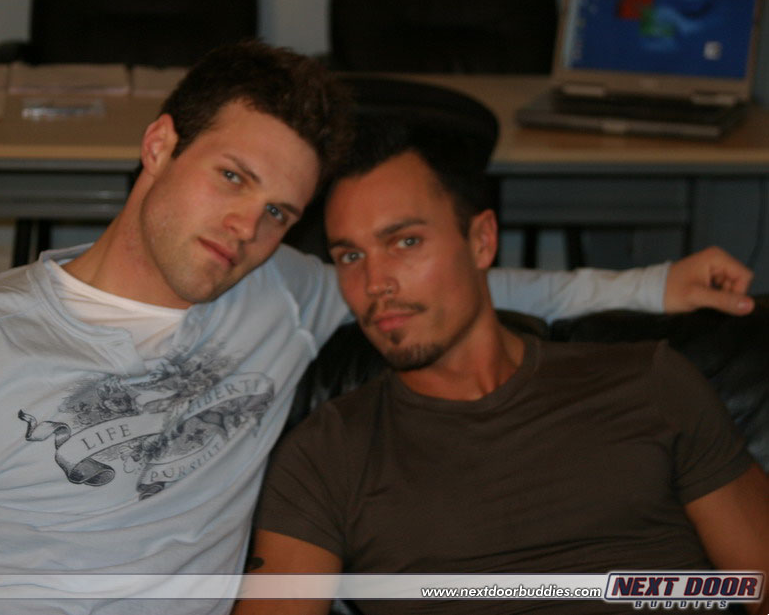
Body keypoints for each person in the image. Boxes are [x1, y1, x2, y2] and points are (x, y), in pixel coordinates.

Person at [0, 42, 755, 615]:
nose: (247, 228)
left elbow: (458, 282)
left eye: (278, 212)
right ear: (159, 146)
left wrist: (652, 283)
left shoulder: (276, 294)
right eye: (232, 177)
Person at [235, 119, 769, 615]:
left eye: (406, 242)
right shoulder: (327, 455)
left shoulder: (650, 383)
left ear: (482, 241)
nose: (376, 283)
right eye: (351, 256)